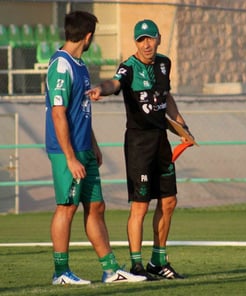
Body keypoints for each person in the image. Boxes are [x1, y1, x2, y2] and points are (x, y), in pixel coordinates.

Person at [45, 11, 147, 285]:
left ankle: (111, 269)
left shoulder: (79, 65)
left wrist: (93, 145)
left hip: (84, 148)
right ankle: (60, 272)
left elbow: (81, 109)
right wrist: (69, 157)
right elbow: (58, 113)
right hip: (68, 152)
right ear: (88, 36)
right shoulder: (61, 65)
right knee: (66, 207)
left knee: (96, 206)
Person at [87, 19, 191, 280]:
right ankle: (136, 264)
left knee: (168, 201)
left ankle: (158, 260)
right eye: (141, 40)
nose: (146, 44)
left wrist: (181, 125)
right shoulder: (128, 67)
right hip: (138, 144)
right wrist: (101, 89)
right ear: (136, 43)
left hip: (161, 141)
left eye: (150, 38)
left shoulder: (164, 64)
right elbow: (115, 83)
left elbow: (166, 97)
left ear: (158, 39)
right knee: (140, 206)